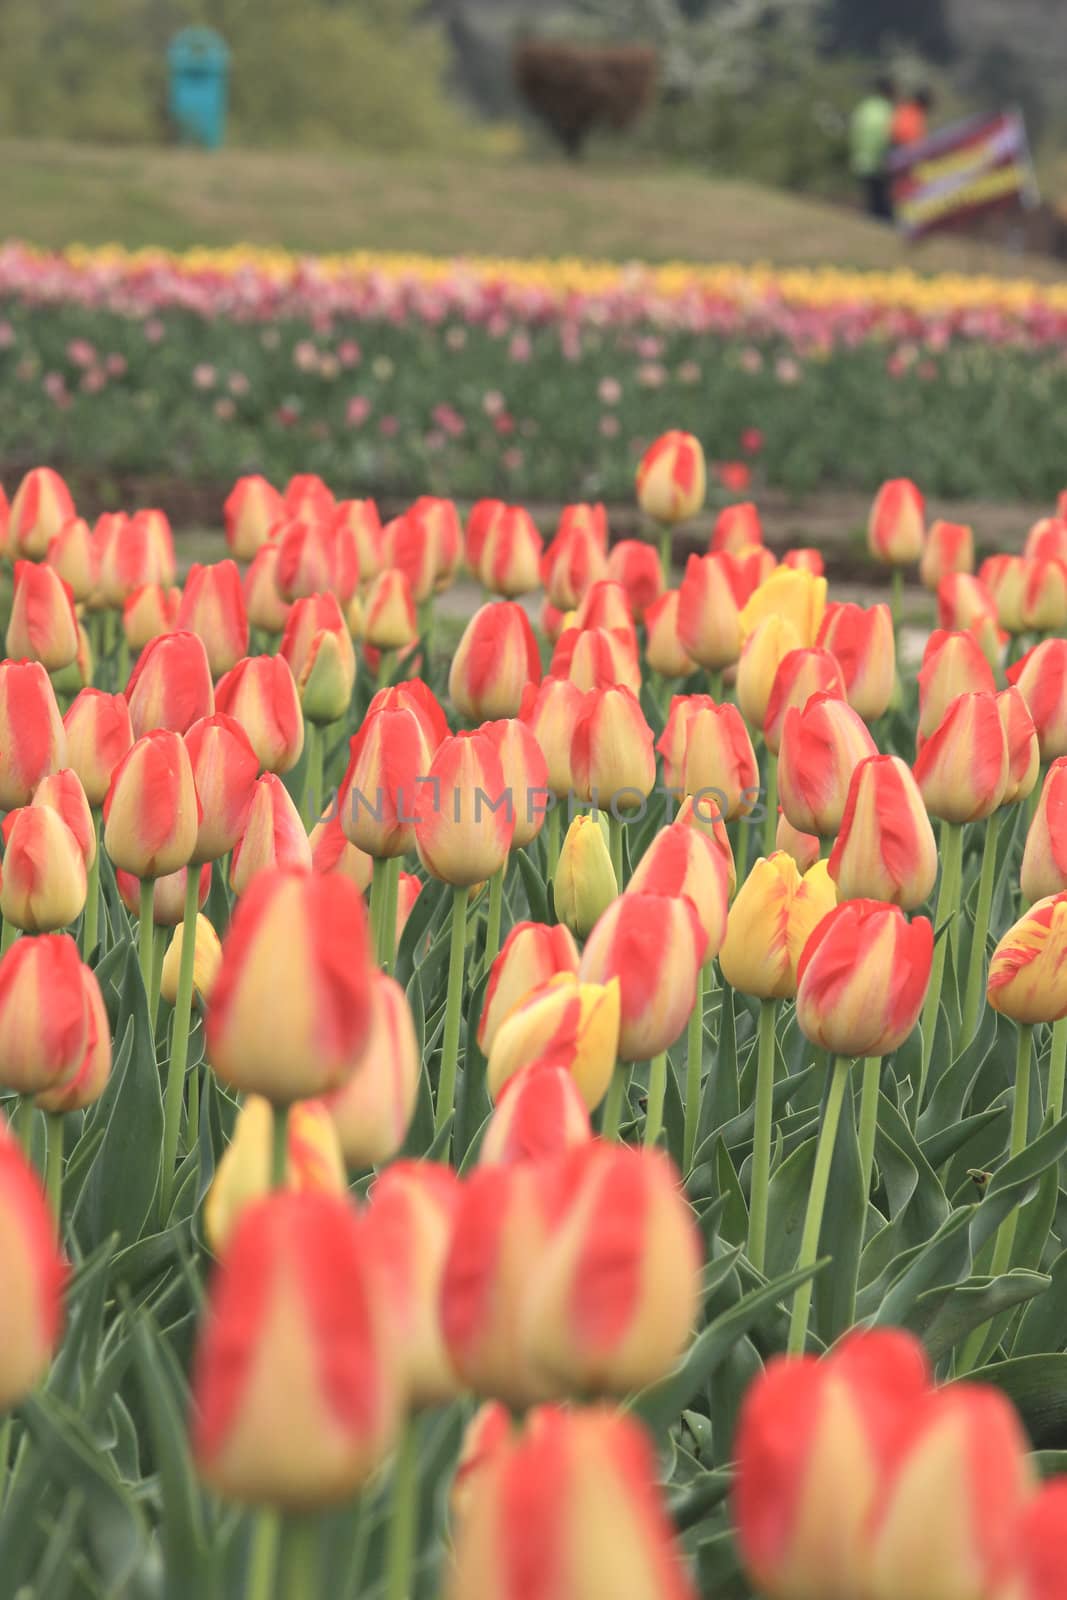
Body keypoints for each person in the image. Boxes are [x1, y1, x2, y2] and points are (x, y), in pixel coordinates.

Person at [850, 76, 895, 221]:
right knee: (881, 203)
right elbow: (888, 137)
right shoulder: (888, 110)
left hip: (861, 158)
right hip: (879, 162)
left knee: (871, 200)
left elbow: (855, 130)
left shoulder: (866, 106)